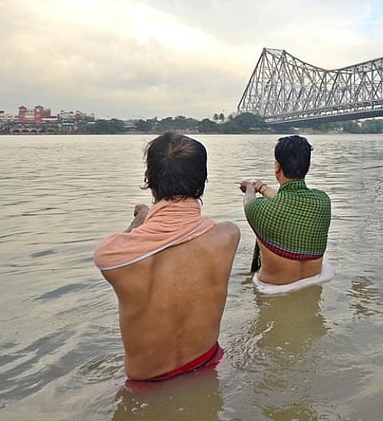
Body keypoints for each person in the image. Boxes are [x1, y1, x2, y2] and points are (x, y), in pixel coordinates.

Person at [93, 132, 240, 382]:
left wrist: (141, 220)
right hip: (208, 365)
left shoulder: (112, 255)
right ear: (203, 181)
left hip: (147, 385)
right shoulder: (227, 236)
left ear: (150, 181)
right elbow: (180, 235)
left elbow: (131, 245)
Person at [239, 135, 332, 293]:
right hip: (314, 281)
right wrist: (262, 187)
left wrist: (250, 187)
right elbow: (290, 200)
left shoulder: (258, 209)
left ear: (277, 166)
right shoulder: (323, 201)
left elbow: (249, 202)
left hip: (270, 290)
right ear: (307, 166)